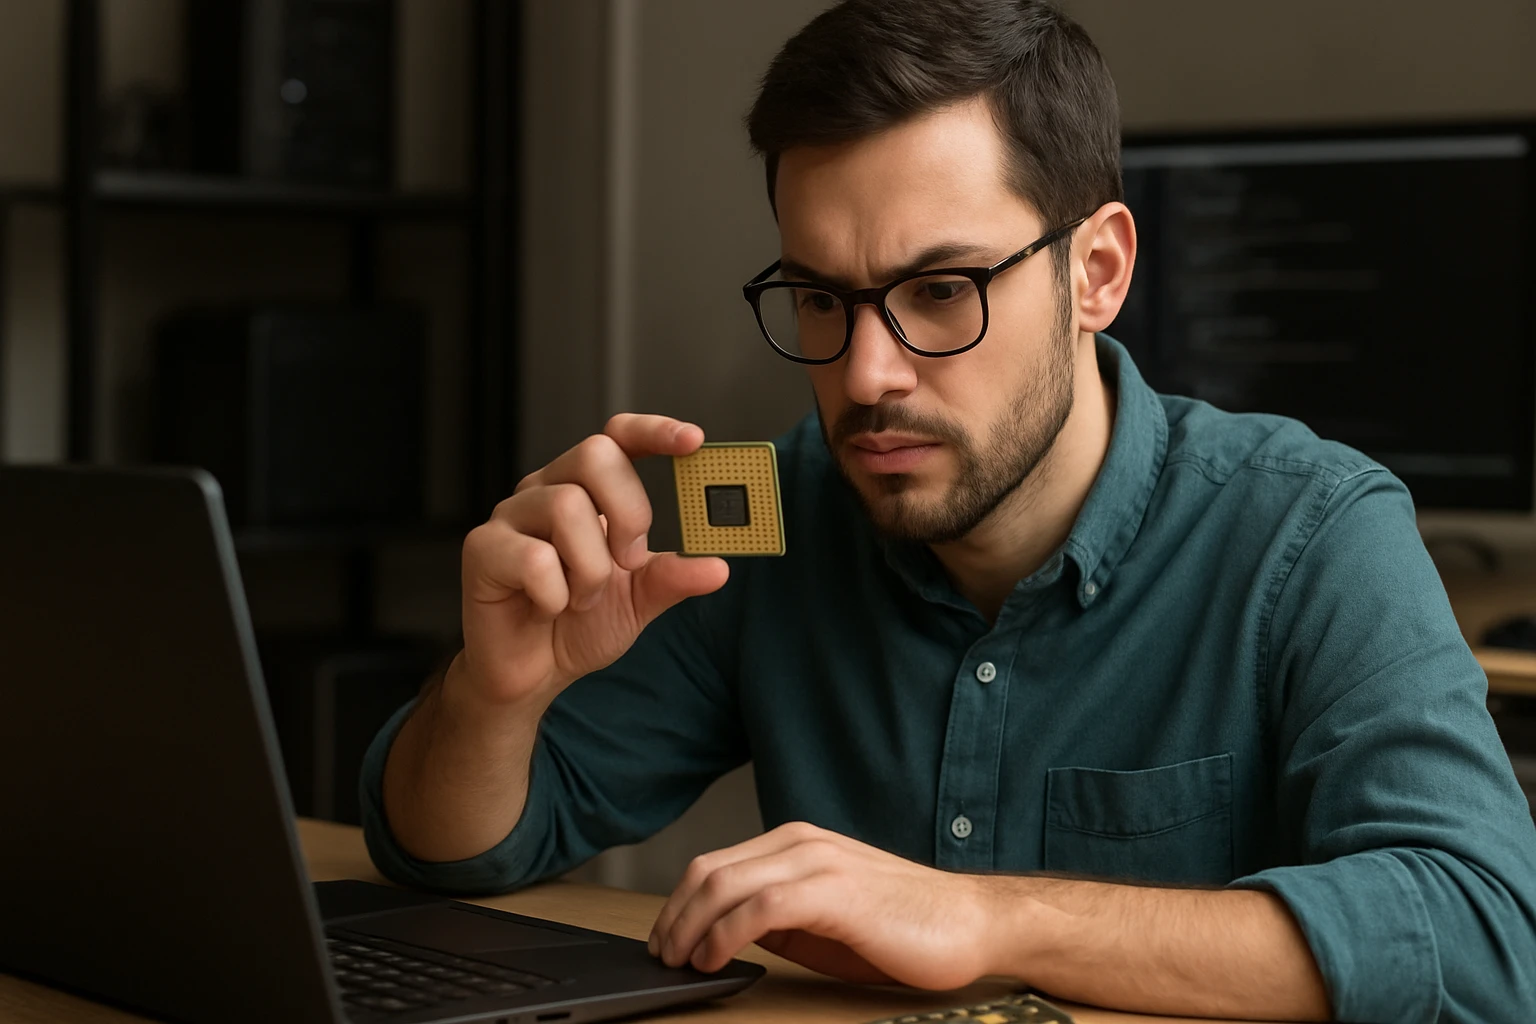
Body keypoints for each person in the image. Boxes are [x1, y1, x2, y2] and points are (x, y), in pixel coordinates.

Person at [361, 1, 1536, 1019]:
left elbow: (1486, 933)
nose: (866, 372)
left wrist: (990, 918)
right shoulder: (773, 512)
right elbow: (451, 848)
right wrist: (491, 695)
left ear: (1099, 273)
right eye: (822, 298)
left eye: (940, 290)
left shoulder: (1311, 529)